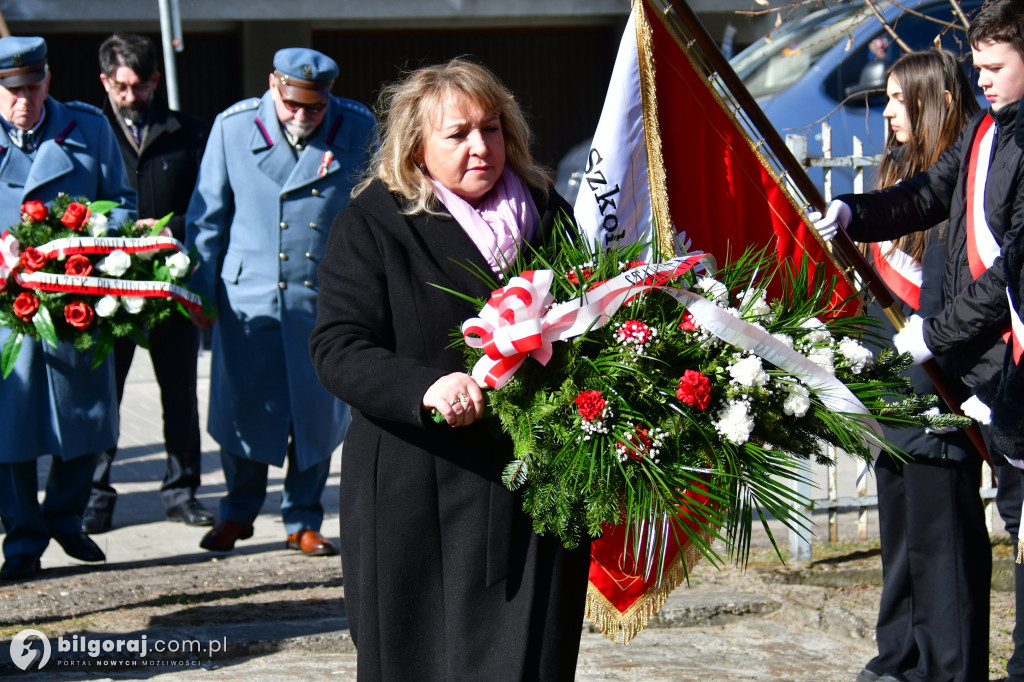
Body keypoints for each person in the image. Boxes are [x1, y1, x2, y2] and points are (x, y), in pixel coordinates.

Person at [309, 57, 591, 680]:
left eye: (490, 128)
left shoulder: (547, 211)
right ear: (415, 145)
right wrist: (425, 387)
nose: (480, 147)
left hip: (534, 494)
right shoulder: (374, 223)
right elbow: (337, 346)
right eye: (457, 134)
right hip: (418, 497)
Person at [812, 2, 1024, 678]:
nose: (979, 80)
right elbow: (929, 193)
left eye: (993, 67)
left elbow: (1012, 269)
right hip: (987, 368)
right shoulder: (988, 129)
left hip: (1007, 359)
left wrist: (936, 333)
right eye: (978, 65)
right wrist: (856, 212)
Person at [185, 48, 376, 557]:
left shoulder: (357, 126)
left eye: (315, 107)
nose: (303, 115)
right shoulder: (233, 127)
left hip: (323, 294)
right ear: (274, 85)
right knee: (244, 405)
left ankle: (303, 518)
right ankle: (237, 511)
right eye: (294, 104)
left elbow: (376, 209)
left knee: (316, 413)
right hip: (249, 296)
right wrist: (198, 288)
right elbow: (207, 217)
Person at [849, 50, 988, 682]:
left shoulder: (966, 178)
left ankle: (948, 667)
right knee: (903, 542)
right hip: (892, 391)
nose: (890, 111)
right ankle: (898, 659)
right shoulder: (895, 178)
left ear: (935, 102)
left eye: (901, 99)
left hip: (942, 387)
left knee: (944, 547)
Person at [0, 36, 136, 581]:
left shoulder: (88, 127)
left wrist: (98, 239)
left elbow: (123, 202)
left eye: (32, 87)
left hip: (77, 297)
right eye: (10, 91)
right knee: (10, 429)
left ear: (48, 80)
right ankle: (23, 537)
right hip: (8, 307)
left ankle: (66, 514)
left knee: (88, 417)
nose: (22, 101)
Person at [80, 33, 211, 536]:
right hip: (108, 289)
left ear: (156, 80)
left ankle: (182, 493)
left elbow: (203, 209)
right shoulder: (90, 132)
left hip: (171, 285)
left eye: (140, 85)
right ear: (105, 81)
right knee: (104, 393)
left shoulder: (188, 132)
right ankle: (96, 496)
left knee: (179, 392)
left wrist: (173, 240)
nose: (130, 96)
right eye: (120, 86)